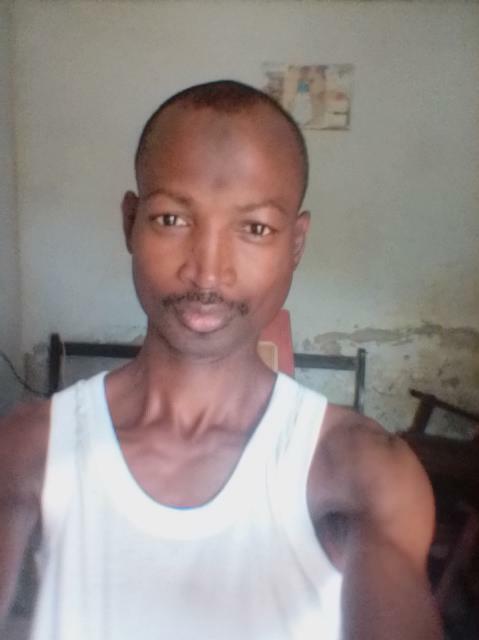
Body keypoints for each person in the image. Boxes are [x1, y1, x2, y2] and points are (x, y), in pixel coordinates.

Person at [0, 80, 442, 640]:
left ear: (296, 244)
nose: (207, 272)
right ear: (130, 222)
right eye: (172, 219)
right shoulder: (30, 448)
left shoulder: (360, 470)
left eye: (255, 228)